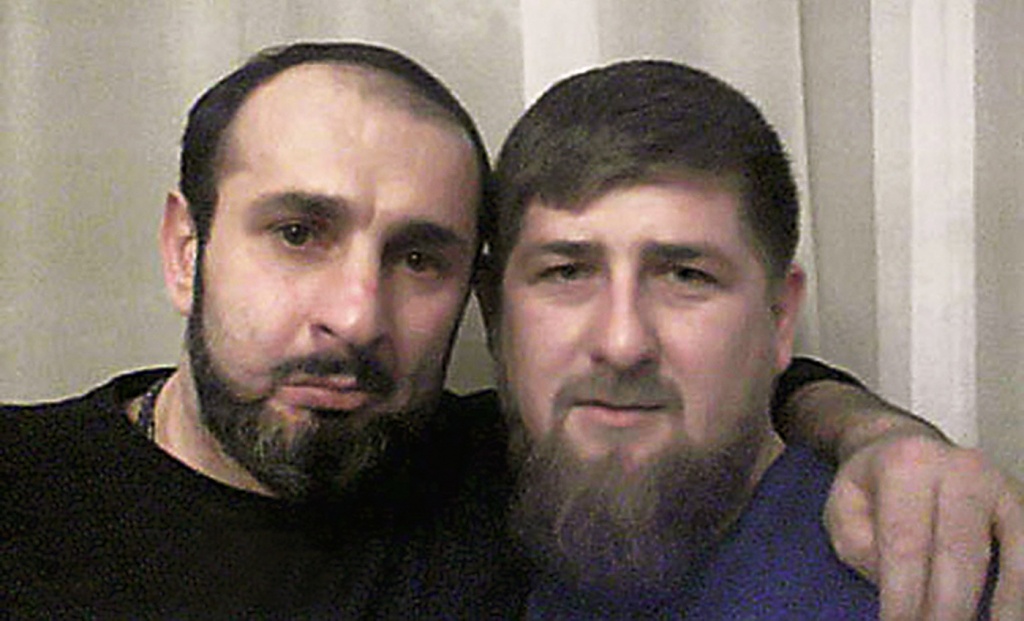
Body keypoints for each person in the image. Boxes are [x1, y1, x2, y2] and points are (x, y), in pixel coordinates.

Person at [1, 42, 1019, 619]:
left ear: (474, 295)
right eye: (299, 233)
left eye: (419, 257)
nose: (355, 315)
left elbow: (709, 388)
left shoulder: (505, 473)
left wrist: (877, 437)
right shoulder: (25, 491)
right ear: (186, 249)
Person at [476, 58, 1012, 618]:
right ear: (494, 313)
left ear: (780, 317)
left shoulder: (918, 582)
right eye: (566, 272)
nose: (622, 342)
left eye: (687, 276)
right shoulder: (455, 511)